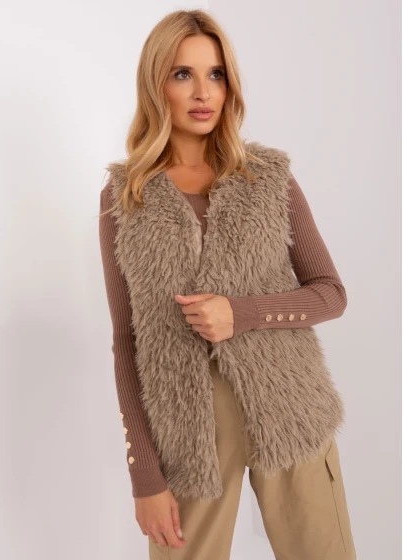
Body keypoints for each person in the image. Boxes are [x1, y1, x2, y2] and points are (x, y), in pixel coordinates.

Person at [98, 9, 357, 560]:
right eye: (183, 74)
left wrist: (244, 313)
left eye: (215, 74)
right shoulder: (124, 197)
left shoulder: (269, 178)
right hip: (186, 433)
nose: (203, 92)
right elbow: (126, 340)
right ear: (156, 85)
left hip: (290, 409)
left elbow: (330, 292)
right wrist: (144, 474)